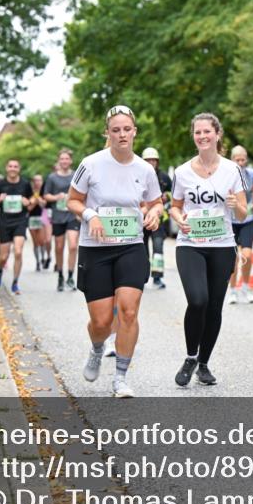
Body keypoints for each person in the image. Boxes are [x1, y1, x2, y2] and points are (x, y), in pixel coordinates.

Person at [67, 104, 163, 397]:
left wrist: (155, 213)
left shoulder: (145, 169)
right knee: (101, 322)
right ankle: (97, 348)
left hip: (131, 246)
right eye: (116, 130)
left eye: (127, 129)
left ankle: (121, 377)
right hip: (96, 248)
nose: (122, 134)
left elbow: (156, 202)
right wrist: (90, 216)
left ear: (134, 132)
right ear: (107, 133)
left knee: (128, 312)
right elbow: (73, 200)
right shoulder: (91, 164)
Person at [169, 113, 247, 388]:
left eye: (207, 132)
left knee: (214, 306)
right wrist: (179, 219)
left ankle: (203, 363)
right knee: (198, 300)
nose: (202, 136)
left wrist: (235, 204)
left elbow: (243, 213)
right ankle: (190, 357)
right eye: (198, 132)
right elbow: (175, 206)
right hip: (190, 244)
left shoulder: (232, 170)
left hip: (222, 245)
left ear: (217, 134)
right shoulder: (182, 172)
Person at [0, 160, 33, 294]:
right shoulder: (0, 184)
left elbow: (32, 199)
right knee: (3, 257)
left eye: (15, 166)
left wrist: (28, 201)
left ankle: (15, 283)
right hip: (5, 223)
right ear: (6, 168)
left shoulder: (25, 184)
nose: (13, 168)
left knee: (18, 251)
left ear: (19, 169)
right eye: (10, 166)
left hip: (20, 221)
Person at [228, 145, 253, 304]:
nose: (240, 163)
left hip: (247, 219)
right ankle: (233, 290)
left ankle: (245, 288)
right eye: (237, 160)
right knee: (233, 258)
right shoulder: (226, 173)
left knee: (247, 255)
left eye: (243, 159)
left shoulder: (251, 173)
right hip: (231, 220)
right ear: (232, 160)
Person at [44, 150, 81, 291]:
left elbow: (83, 193)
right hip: (58, 216)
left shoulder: (76, 175)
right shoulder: (52, 177)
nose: (64, 161)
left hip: (72, 215)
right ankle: (60, 275)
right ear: (59, 161)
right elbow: (46, 195)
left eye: (67, 159)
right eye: (62, 159)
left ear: (71, 161)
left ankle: (70, 276)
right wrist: (56, 197)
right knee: (59, 247)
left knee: (73, 246)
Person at [140, 147, 172, 290]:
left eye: (153, 160)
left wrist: (167, 197)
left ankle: (157, 277)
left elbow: (175, 194)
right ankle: (143, 276)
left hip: (159, 219)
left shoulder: (164, 177)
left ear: (157, 161)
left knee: (158, 248)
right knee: (142, 249)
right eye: (148, 160)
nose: (151, 163)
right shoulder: (138, 175)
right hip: (141, 219)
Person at [28, 175, 49, 271]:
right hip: (32, 218)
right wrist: (35, 201)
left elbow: (44, 205)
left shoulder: (45, 191)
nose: (37, 182)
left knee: (42, 241)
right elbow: (28, 208)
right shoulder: (29, 192)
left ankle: (43, 258)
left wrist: (38, 200)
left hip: (42, 218)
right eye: (35, 180)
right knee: (35, 242)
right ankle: (37, 262)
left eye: (39, 180)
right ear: (33, 182)